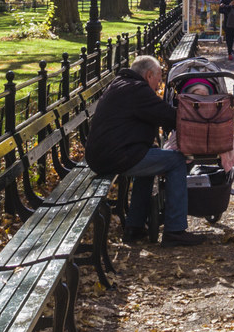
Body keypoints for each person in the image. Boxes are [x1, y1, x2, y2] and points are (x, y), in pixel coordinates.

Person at [86, 54, 202, 248]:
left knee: (149, 163)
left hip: (104, 155)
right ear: (149, 75)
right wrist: (200, 118)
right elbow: (168, 116)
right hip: (116, 156)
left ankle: (135, 226)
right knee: (176, 161)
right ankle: (175, 229)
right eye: (158, 79)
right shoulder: (137, 90)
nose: (159, 85)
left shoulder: (121, 84)